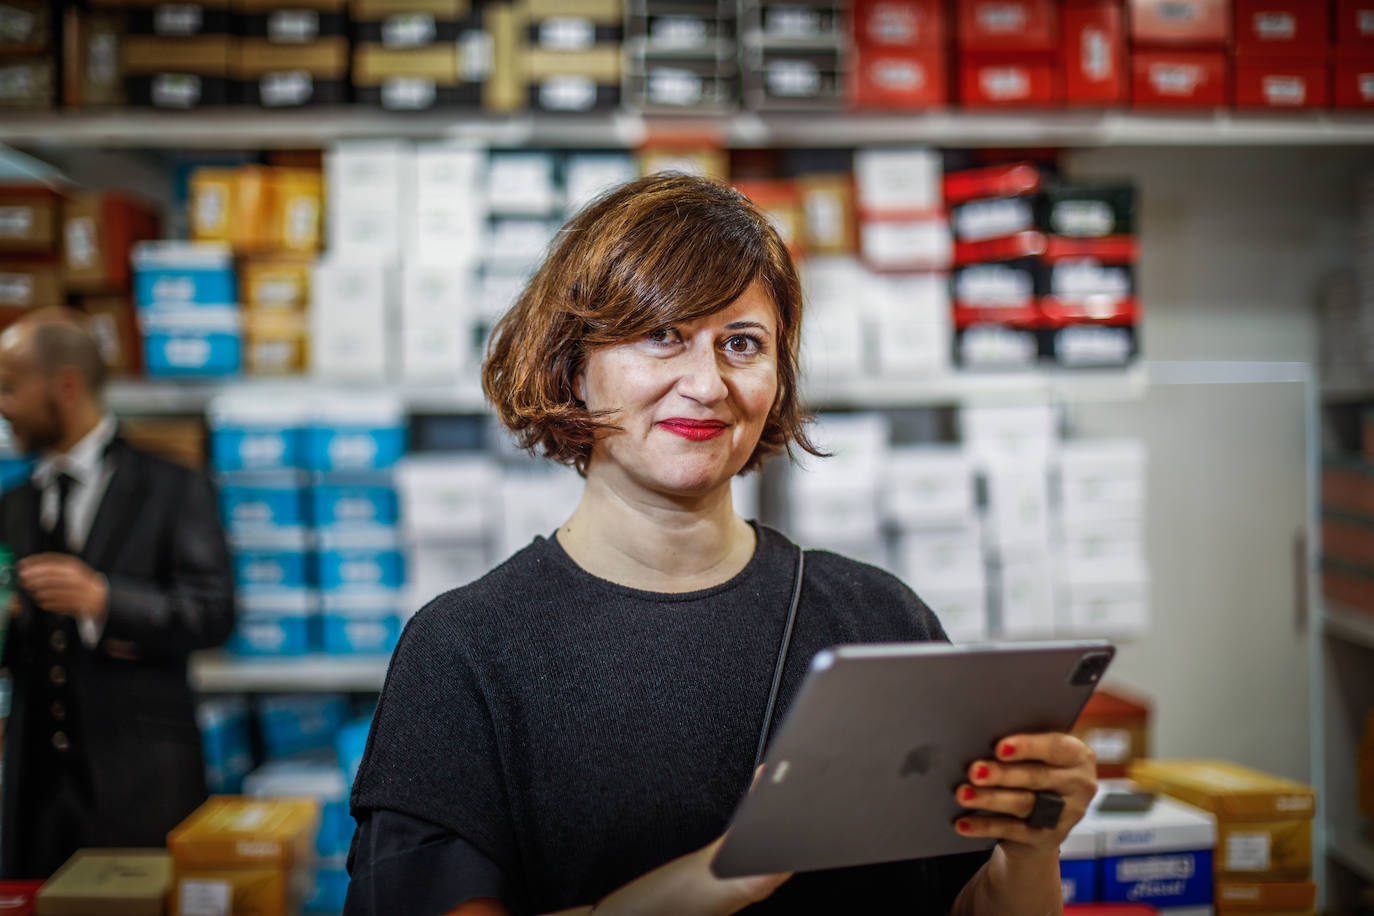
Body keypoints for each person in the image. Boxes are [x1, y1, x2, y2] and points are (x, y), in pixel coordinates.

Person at [345, 174, 1098, 916]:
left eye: (742, 343)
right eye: (661, 337)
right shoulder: (466, 651)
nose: (706, 384)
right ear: (573, 367)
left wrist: (1028, 847)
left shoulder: (882, 620)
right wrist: (714, 881)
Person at [0, 307, 236, 879]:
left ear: (67, 387)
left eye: (10, 388)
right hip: (35, 799)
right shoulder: (12, 506)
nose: (2, 406)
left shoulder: (174, 487)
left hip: (143, 786)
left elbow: (213, 614)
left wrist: (104, 600)